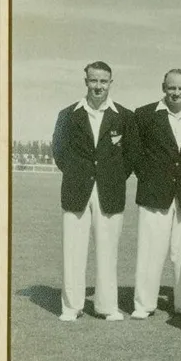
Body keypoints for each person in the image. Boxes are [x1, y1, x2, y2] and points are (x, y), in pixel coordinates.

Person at [52, 61, 140, 322]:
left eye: (103, 81)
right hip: (76, 190)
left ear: (110, 83)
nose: (98, 86)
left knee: (107, 251)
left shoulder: (125, 116)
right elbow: (59, 151)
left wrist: (111, 177)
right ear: (86, 82)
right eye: (94, 81)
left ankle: (107, 306)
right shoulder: (68, 114)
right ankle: (71, 307)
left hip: (109, 192)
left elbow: (131, 155)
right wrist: (78, 174)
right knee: (73, 251)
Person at [131, 69, 181, 320]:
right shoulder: (144, 115)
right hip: (154, 195)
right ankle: (144, 304)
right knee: (150, 251)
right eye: (171, 87)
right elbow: (135, 153)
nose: (176, 92)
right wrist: (152, 177)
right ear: (163, 87)